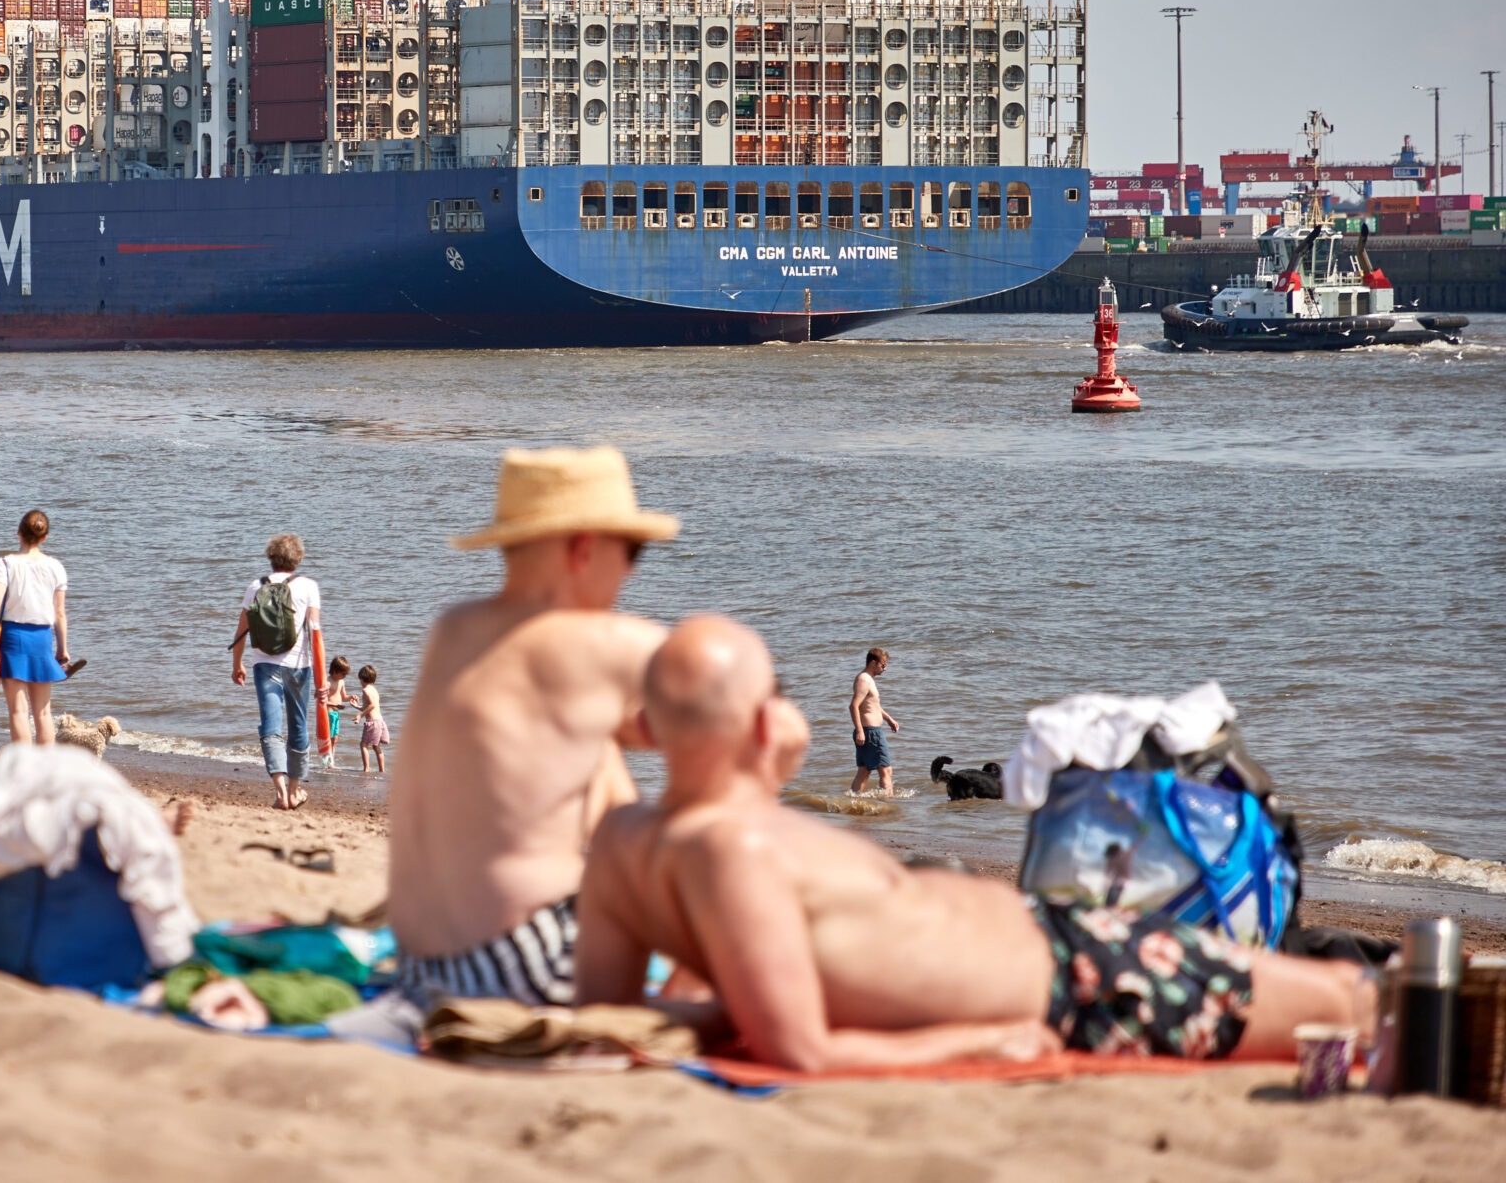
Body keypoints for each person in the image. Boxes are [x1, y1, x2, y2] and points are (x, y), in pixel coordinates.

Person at [576, 615, 1373, 1068]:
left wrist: (722, 1005)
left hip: (1059, 942)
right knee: (1347, 1002)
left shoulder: (623, 840)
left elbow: (611, 1010)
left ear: (645, 729)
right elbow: (805, 1051)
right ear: (763, 723)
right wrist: (986, 1040)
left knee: (1334, 991)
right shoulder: (737, 849)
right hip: (1075, 977)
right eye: (778, 694)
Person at [385, 446, 677, 1008]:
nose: (633, 571)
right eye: (634, 552)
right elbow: (753, 719)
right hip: (526, 963)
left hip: (424, 970)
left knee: (597, 753)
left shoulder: (454, 630)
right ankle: (698, 997)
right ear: (585, 546)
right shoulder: (607, 645)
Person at [230, 533, 323, 810]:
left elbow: (241, 632)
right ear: (299, 558)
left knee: (270, 728)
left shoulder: (255, 586)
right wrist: (321, 679)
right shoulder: (308, 586)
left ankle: (281, 793)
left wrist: (237, 665)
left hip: (264, 664)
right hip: (299, 667)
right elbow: (315, 634)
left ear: (271, 557)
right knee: (298, 725)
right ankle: (295, 792)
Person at [0, 510, 71, 746]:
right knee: (43, 713)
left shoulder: (6, 563)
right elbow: (59, 612)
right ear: (44, 537)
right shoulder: (56, 567)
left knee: (18, 712)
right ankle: (45, 770)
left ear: (19, 533)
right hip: (43, 638)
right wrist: (62, 649)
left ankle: (23, 768)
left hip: (13, 638)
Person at [848, 646, 900, 797]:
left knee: (864, 772)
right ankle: (887, 806)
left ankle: (853, 801)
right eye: (883, 665)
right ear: (873, 663)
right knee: (886, 770)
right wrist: (859, 730)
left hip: (869, 732)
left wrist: (889, 719)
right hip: (870, 732)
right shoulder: (864, 679)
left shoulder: (868, 680)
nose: (885, 669)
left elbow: (873, 706)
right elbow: (854, 706)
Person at [357, 663, 391, 775]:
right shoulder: (374, 690)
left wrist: (360, 716)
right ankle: (382, 770)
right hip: (380, 721)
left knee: (363, 745)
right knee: (376, 746)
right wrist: (357, 707)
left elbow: (371, 706)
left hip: (372, 722)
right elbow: (370, 707)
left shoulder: (365, 690)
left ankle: (366, 769)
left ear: (362, 678)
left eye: (360, 680)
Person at [322, 655, 353, 772]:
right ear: (335, 671)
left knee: (335, 739)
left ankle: (331, 762)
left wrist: (351, 697)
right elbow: (323, 701)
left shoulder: (341, 682)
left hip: (336, 713)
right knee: (328, 739)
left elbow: (343, 697)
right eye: (343, 674)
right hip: (328, 712)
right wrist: (335, 705)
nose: (344, 676)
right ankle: (327, 763)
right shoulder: (327, 682)